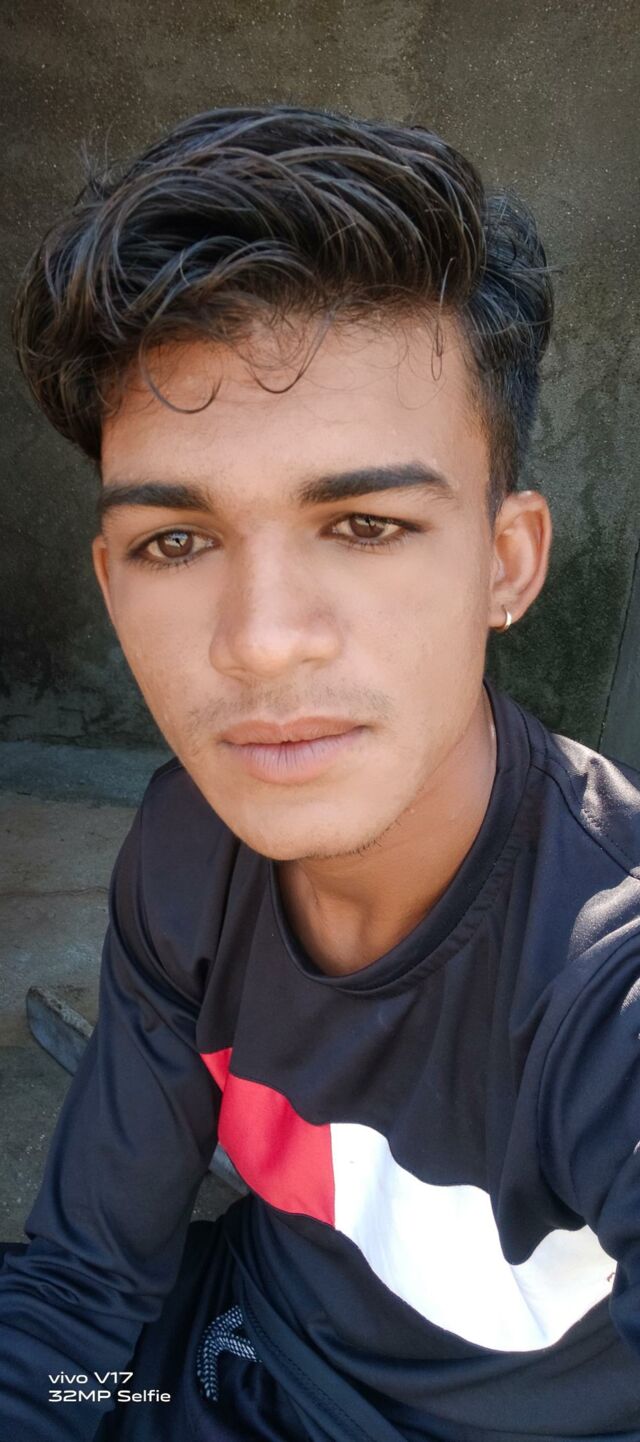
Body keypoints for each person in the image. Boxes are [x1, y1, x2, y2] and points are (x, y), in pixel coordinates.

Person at [0, 102, 639, 1442]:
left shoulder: (603, 973)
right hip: (216, 1361)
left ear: (507, 563)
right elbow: (82, 1293)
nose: (259, 640)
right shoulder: (186, 852)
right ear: (112, 584)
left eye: (364, 523)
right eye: (177, 543)